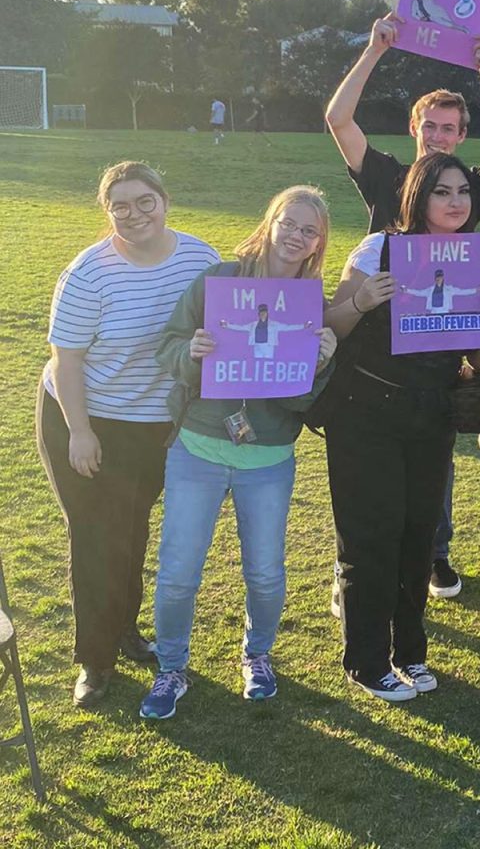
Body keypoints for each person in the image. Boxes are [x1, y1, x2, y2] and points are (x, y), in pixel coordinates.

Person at [325, 10, 480, 601]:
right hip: (379, 334)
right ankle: (347, 567)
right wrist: (375, 50)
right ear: (415, 127)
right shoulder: (387, 176)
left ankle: (433, 554)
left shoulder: (462, 186)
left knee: (435, 459)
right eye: (430, 125)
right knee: (368, 470)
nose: (439, 136)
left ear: (461, 136)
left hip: (439, 340)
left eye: (450, 128)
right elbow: (337, 119)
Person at [139, 186, 337, 719]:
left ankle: (257, 656)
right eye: (289, 223)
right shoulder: (219, 281)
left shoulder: (312, 304)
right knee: (179, 570)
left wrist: (319, 363)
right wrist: (192, 352)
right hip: (198, 447)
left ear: (319, 242)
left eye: (309, 230)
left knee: (267, 572)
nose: (296, 236)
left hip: (268, 457)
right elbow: (168, 346)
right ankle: (172, 668)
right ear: (270, 221)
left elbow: (301, 400)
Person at [324, 153, 480, 703]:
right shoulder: (379, 248)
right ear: (417, 196)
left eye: (462, 191)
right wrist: (361, 300)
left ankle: (409, 650)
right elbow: (331, 323)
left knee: (418, 536)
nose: (455, 201)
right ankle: (366, 660)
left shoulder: (475, 259)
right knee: (370, 537)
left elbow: (478, 362)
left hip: (430, 413)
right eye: (441, 191)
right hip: (365, 410)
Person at [37, 161, 220, 708]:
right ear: (107, 211)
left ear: (165, 201)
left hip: (157, 424)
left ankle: (124, 630)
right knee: (95, 537)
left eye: (145, 201)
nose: (134, 213)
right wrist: (81, 433)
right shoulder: (88, 273)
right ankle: (95, 661)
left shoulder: (199, 258)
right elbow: (66, 362)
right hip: (84, 417)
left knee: (134, 529)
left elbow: (223, 326)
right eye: (120, 205)